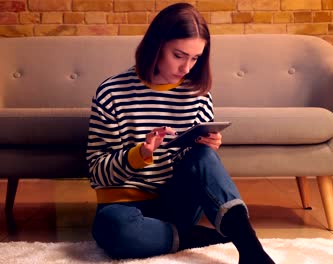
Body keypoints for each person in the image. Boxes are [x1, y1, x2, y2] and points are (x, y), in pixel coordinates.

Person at [86, 3, 275, 264]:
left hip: (177, 205)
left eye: (195, 58)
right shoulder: (111, 92)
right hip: (123, 206)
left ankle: (251, 250)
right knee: (113, 229)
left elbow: (196, 169)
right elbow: (96, 172)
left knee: (203, 157)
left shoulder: (198, 95)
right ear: (157, 45)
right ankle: (196, 237)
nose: (187, 67)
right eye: (179, 55)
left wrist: (206, 147)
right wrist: (139, 154)